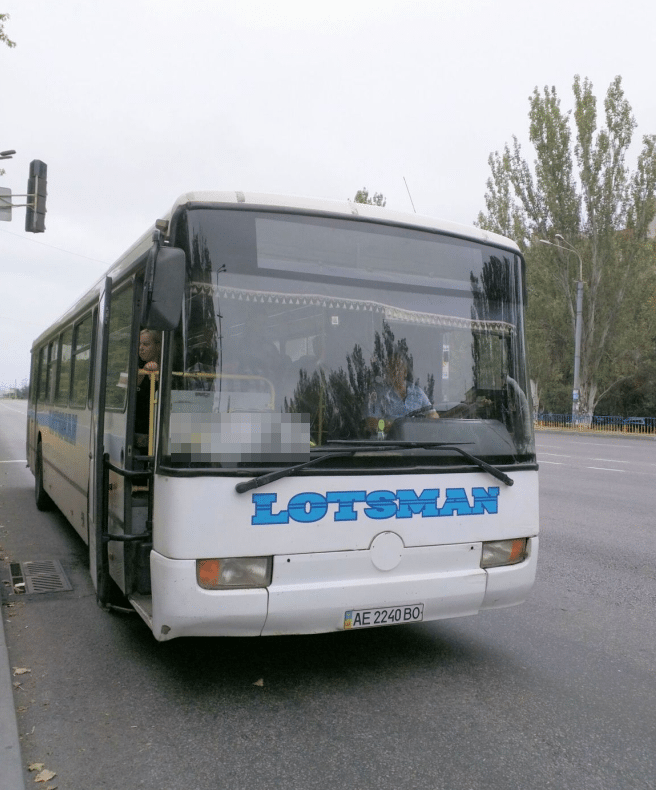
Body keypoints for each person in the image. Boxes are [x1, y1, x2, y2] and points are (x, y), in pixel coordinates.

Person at [366, 351, 438, 434]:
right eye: (391, 368)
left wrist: (422, 425)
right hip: (388, 442)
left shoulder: (417, 392)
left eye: (398, 368)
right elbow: (371, 423)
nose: (395, 372)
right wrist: (392, 426)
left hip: (417, 441)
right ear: (386, 372)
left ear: (405, 372)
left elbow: (434, 415)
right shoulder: (377, 393)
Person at [135, 329, 162, 448]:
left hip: (160, 432)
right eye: (139, 344)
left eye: (145, 344)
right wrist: (143, 372)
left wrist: (158, 377)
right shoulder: (133, 364)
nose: (141, 348)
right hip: (137, 431)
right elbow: (121, 393)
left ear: (158, 346)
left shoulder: (168, 367)